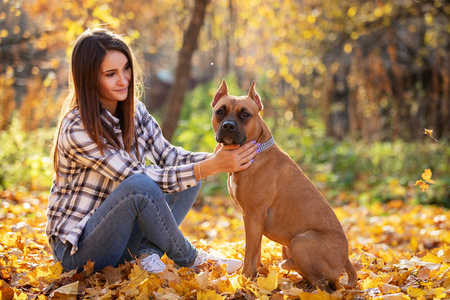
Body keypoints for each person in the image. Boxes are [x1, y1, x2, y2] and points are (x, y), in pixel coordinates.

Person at [46, 28, 258, 274]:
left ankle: (146, 255)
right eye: (110, 74)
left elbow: (170, 157)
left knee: (189, 178)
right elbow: (137, 179)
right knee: (142, 184)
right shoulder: (77, 127)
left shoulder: (134, 111)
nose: (124, 80)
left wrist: (221, 158)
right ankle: (192, 259)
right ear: (89, 78)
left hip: (121, 238)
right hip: (78, 253)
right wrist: (209, 166)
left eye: (126, 68)